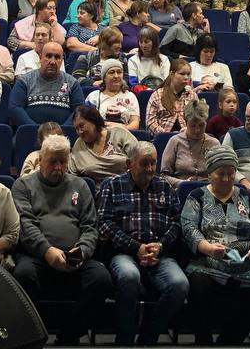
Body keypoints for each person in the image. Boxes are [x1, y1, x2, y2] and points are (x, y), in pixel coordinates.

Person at [11, 132, 114, 343]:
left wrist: (82, 251)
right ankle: (36, 334)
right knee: (23, 275)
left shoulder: (80, 185)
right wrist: (48, 251)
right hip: (38, 257)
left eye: (63, 162)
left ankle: (69, 335)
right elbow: (26, 225)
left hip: (75, 257)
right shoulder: (23, 186)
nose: (58, 167)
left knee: (102, 280)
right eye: (53, 162)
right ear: (40, 160)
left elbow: (90, 226)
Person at [96, 141, 189, 346]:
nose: (149, 169)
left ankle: (149, 336)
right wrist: (135, 247)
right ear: (129, 164)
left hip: (159, 254)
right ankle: (125, 339)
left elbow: (177, 223)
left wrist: (160, 246)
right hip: (125, 253)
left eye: (153, 163)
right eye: (144, 163)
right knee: (129, 276)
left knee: (179, 285)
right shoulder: (112, 185)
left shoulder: (164, 186)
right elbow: (104, 223)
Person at [180, 145, 250, 345]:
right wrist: (208, 248)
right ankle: (203, 341)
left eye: (231, 173)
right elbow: (189, 229)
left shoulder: (246, 196)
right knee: (198, 284)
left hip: (243, 264)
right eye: (220, 174)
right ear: (209, 174)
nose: (226, 179)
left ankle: (229, 341)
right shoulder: (197, 197)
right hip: (207, 263)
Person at [7, 42, 84, 126]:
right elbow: (15, 108)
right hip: (30, 132)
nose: (53, 62)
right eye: (48, 56)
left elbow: (79, 110)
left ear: (62, 60)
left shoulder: (72, 83)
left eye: (57, 57)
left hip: (64, 133)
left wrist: (62, 130)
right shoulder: (25, 80)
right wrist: (34, 129)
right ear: (40, 57)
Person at [160, 98, 219, 186]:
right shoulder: (175, 141)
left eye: (201, 125)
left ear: (206, 122)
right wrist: (182, 183)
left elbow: (220, 174)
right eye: (193, 126)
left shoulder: (214, 144)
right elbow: (164, 176)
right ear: (186, 123)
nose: (197, 130)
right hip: (181, 189)